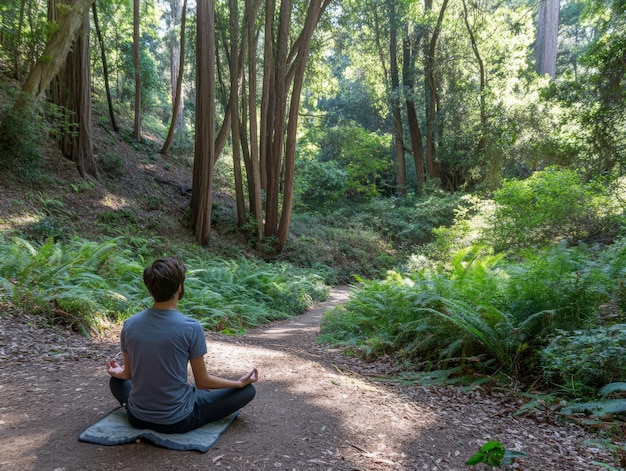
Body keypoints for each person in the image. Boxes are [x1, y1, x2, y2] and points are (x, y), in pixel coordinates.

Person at [106, 256, 258, 434]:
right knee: (248, 391)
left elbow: (128, 374)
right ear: (179, 287)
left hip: (137, 417)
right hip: (177, 420)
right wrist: (238, 383)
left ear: (149, 288)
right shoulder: (191, 327)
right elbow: (202, 382)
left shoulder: (130, 324)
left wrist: (118, 373)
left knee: (116, 382)